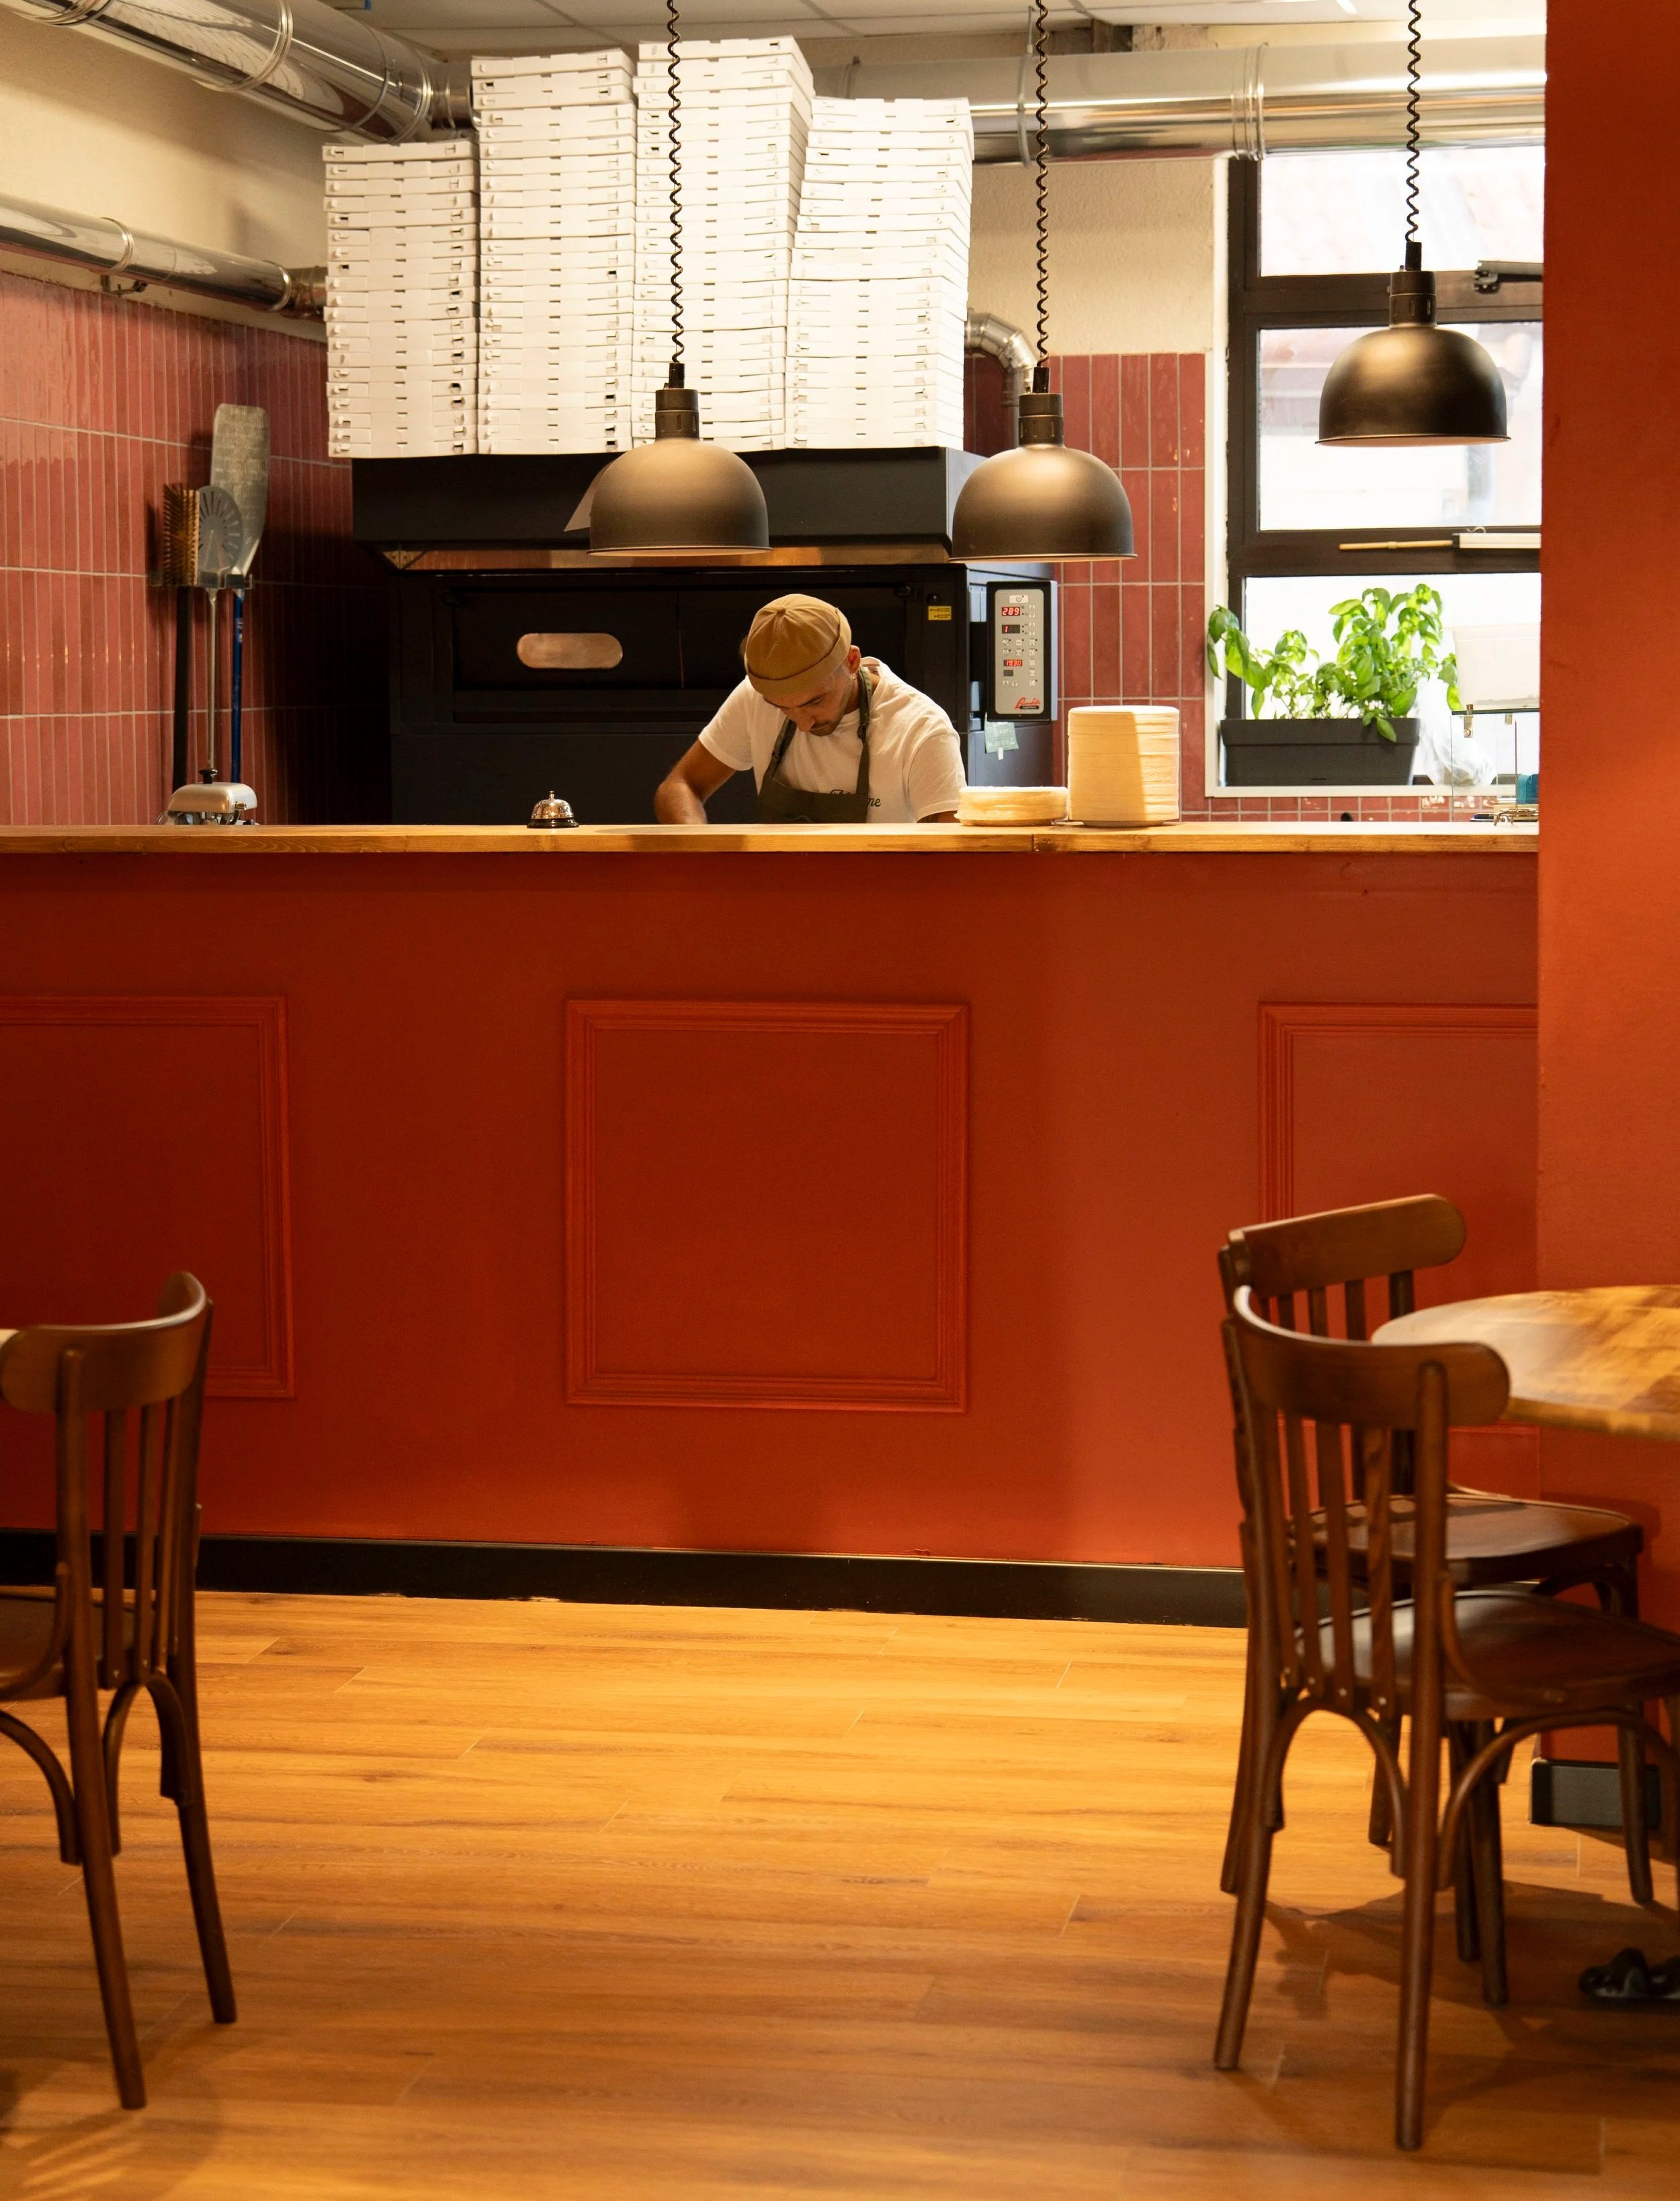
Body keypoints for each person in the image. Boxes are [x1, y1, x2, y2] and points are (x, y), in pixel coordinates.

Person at [654, 593, 967, 825]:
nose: (803, 725)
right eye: (781, 707)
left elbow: (951, 858)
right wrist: (701, 857)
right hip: (777, 900)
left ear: (851, 661)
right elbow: (680, 786)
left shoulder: (921, 729)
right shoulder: (753, 697)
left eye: (814, 702)